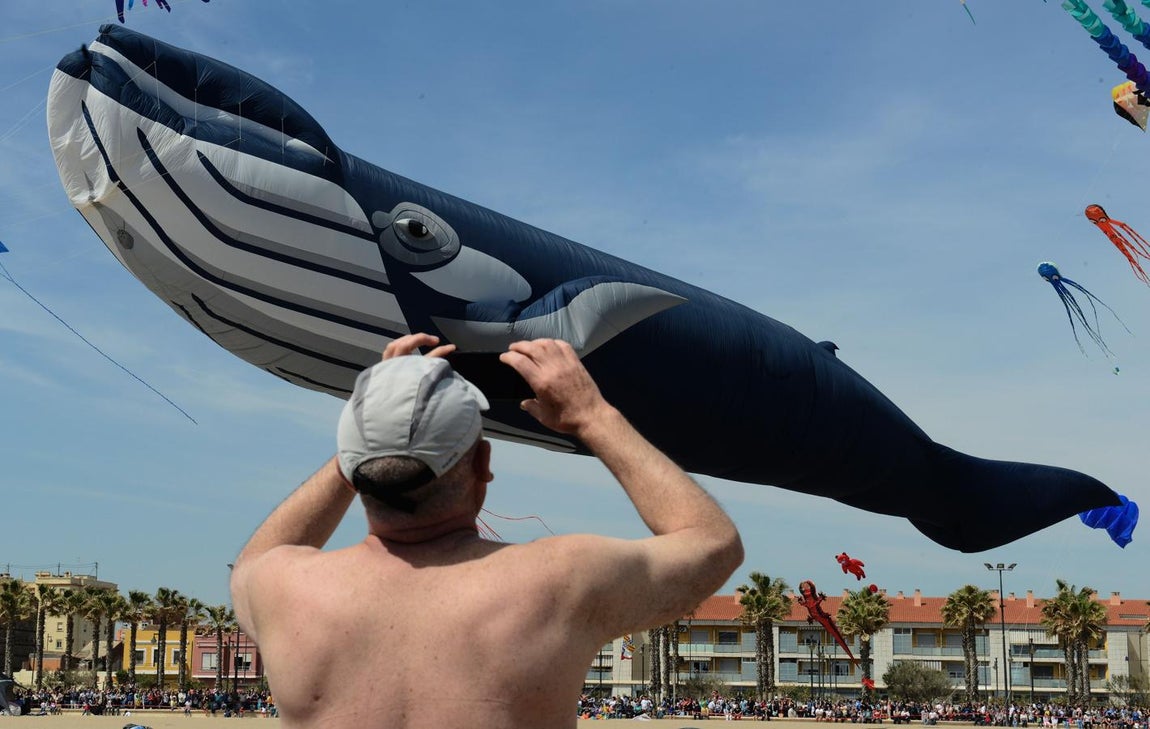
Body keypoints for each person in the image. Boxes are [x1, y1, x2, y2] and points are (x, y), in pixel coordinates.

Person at [229, 333, 744, 729]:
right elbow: (712, 541)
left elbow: (258, 555)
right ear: (483, 461)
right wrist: (592, 416)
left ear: (352, 460)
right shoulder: (558, 582)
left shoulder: (281, 588)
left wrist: (382, 413)